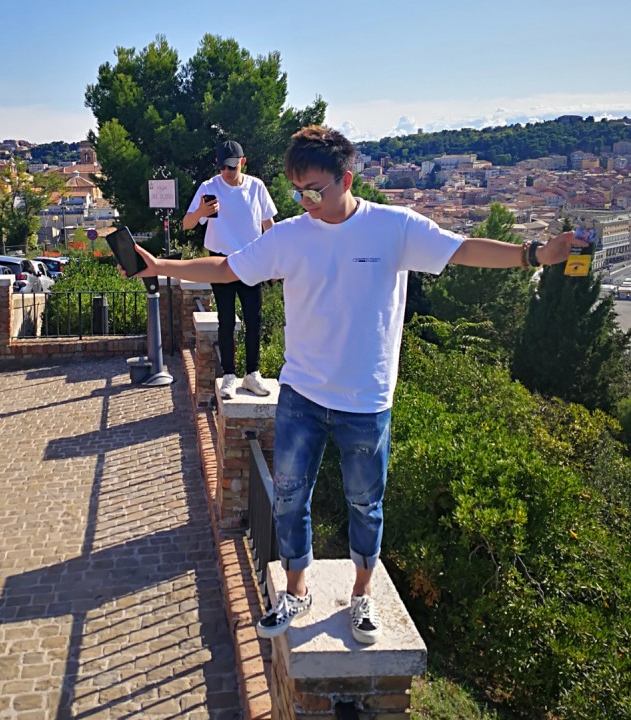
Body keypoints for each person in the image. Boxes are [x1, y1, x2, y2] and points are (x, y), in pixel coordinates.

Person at [122, 125, 585, 645]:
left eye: (314, 191)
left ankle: (363, 594)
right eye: (298, 192)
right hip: (301, 394)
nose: (305, 202)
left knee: (365, 504)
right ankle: (296, 590)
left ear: (346, 180)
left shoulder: (393, 227)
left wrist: (534, 255)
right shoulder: (291, 235)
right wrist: (161, 265)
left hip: (366, 400)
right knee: (289, 499)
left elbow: (462, 250)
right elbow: (228, 268)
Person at [183, 140, 278, 399]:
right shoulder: (209, 187)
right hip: (221, 261)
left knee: (254, 319)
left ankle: (252, 374)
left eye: (232, 167)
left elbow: (269, 225)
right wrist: (201, 211)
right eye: (223, 166)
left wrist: (276, 260)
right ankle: (228, 375)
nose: (227, 172)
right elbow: (187, 224)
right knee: (225, 319)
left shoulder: (256, 186)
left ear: (242, 162)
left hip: (252, 258)